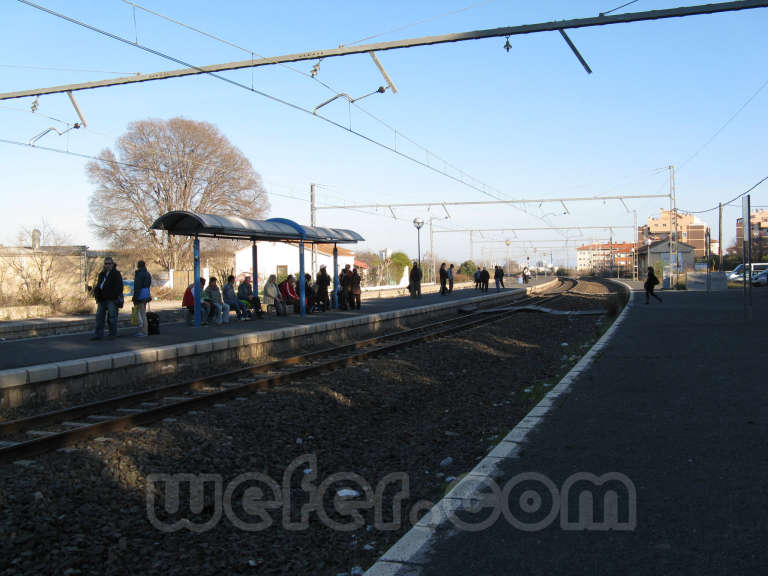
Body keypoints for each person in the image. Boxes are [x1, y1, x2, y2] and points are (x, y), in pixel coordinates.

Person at [91, 256, 124, 340]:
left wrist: (114, 295)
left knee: (112, 317)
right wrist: (97, 294)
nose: (108, 265)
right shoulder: (101, 274)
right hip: (102, 298)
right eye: (106, 264)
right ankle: (98, 335)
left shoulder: (116, 274)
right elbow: (99, 285)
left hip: (111, 299)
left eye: (109, 263)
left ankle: (112, 334)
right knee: (99, 317)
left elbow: (119, 287)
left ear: (112, 264)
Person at [132, 260, 152, 337]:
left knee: (141, 313)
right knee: (143, 312)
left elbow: (137, 286)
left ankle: (144, 331)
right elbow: (149, 284)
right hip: (146, 293)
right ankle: (144, 330)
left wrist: (135, 298)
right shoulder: (147, 273)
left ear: (138, 266)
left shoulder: (139, 274)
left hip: (140, 294)